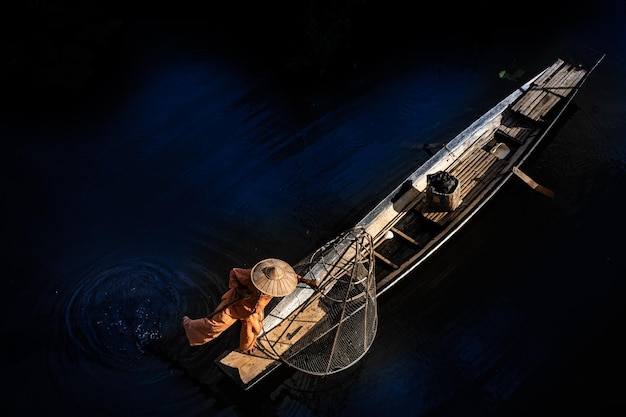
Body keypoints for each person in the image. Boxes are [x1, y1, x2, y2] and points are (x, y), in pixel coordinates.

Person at [182, 258, 318, 354]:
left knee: (254, 330)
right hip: (235, 304)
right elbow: (234, 273)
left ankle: (245, 348)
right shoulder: (252, 275)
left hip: (253, 311)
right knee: (214, 325)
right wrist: (240, 290)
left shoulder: (283, 279)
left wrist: (307, 281)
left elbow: (294, 277)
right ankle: (189, 325)